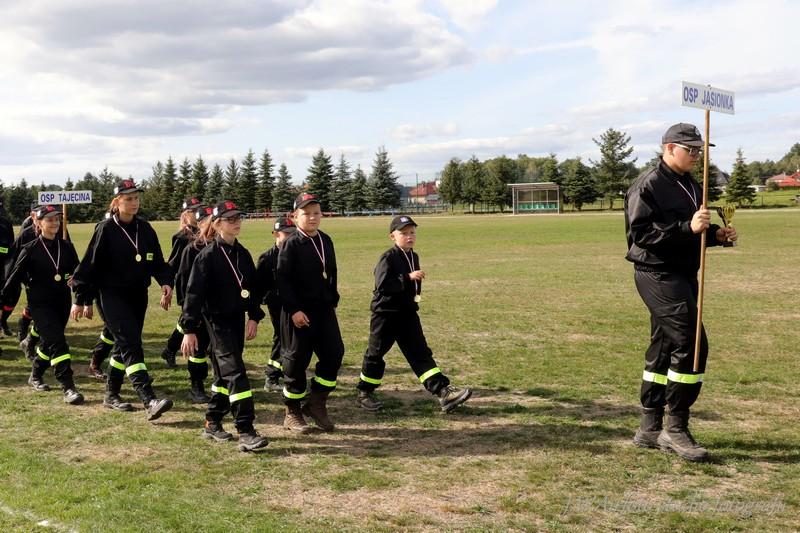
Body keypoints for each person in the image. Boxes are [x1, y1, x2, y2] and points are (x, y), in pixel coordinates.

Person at [624, 123, 737, 462]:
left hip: (684, 273)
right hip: (657, 274)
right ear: (669, 148)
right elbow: (642, 234)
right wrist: (688, 227)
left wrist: (715, 234)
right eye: (691, 149)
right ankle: (676, 428)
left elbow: (693, 231)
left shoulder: (691, 183)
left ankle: (649, 426)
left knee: (664, 346)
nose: (697, 155)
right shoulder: (647, 185)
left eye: (700, 150)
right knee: (692, 342)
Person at [70, 178, 174, 421]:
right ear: (117, 202)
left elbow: (157, 261)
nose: (134, 202)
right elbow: (89, 265)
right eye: (128, 199)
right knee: (131, 344)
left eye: (136, 198)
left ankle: (111, 394)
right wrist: (81, 298)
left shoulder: (145, 228)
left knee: (123, 344)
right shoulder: (105, 229)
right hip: (111, 295)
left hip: (138, 295)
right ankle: (149, 399)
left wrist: (165, 281)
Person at [355, 215, 472, 413]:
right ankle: (364, 393)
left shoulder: (413, 256)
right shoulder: (388, 258)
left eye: (412, 232)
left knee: (420, 352)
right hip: (385, 315)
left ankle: (443, 392)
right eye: (404, 233)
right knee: (375, 354)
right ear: (393, 236)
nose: (409, 236)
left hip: (407, 314)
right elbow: (383, 285)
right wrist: (408, 277)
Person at [180, 200, 268, 452]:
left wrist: (254, 316)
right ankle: (246, 430)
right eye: (230, 219)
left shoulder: (242, 253)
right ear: (217, 224)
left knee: (223, 375)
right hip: (216, 323)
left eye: (239, 218)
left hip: (236, 320)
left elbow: (251, 288)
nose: (236, 222)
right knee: (236, 373)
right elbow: (193, 295)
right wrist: (189, 329)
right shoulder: (206, 256)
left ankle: (212, 421)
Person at [1, 205, 83, 404]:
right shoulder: (30, 249)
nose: (54, 223)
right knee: (58, 343)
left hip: (62, 302)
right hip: (40, 304)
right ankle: (68, 387)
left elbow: (78, 272)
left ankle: (36, 375)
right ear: (38, 223)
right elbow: (14, 277)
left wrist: (77, 285)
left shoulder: (67, 247)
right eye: (49, 219)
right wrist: (2, 299)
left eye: (57, 219)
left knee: (49, 342)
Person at [276, 193, 344, 433]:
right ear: (295, 217)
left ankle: (316, 402)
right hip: (299, 313)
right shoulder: (291, 243)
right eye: (306, 213)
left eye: (316, 213)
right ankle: (292, 411)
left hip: (323, 310)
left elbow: (331, 272)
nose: (312, 217)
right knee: (296, 362)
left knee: (334, 353)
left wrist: (332, 297)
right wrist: (294, 310)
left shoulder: (326, 239)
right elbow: (282, 280)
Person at [172, 205, 214, 403]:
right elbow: (183, 282)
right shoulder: (193, 249)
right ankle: (196, 386)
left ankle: (221, 383)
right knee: (198, 349)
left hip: (219, 308)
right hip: (199, 309)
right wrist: (187, 309)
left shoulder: (224, 246)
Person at [255, 215, 296, 392]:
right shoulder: (267, 258)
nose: (290, 236)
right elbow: (258, 286)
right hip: (277, 305)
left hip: (294, 303)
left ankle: (286, 372)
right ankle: (271, 377)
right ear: (276, 234)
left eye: (293, 233)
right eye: (286, 233)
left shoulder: (297, 253)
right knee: (281, 337)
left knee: (290, 339)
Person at [162, 197, 204, 368]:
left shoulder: (205, 231)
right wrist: (167, 289)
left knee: (188, 321)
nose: (198, 212)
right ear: (186, 214)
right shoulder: (181, 237)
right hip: (187, 285)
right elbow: (172, 265)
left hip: (203, 283)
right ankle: (178, 352)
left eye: (199, 208)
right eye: (194, 210)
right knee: (191, 320)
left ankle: (170, 349)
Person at [0, 199, 14, 339]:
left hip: (5, 264)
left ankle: (3, 322)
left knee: (12, 293)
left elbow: (11, 246)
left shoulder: (6, 223)